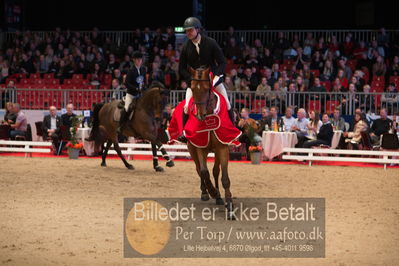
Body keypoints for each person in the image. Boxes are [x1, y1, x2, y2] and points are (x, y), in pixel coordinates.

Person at [178, 17, 230, 142]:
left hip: (212, 78)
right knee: (186, 107)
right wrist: (191, 79)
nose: (188, 33)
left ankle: (232, 132)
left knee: (227, 104)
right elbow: (181, 69)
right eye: (186, 31)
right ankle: (184, 133)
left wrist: (216, 75)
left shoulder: (210, 42)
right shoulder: (185, 47)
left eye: (190, 30)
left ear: (197, 29)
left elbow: (222, 62)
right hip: (195, 82)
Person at [118, 51, 147, 133]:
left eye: (140, 59)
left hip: (140, 95)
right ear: (134, 60)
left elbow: (144, 80)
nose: (139, 61)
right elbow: (127, 83)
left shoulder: (143, 69)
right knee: (127, 108)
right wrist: (136, 89)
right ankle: (121, 125)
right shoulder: (131, 70)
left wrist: (144, 87)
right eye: (137, 60)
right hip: (131, 94)